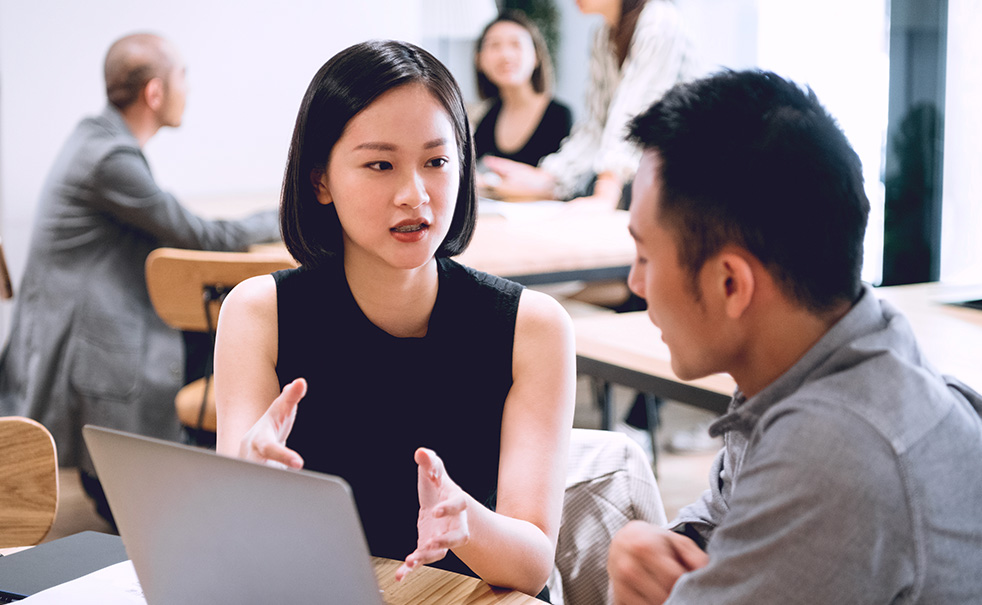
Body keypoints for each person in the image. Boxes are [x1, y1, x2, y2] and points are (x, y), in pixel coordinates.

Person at [606, 70, 982, 603]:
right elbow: (720, 519)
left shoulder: (836, 448)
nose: (635, 283)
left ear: (730, 284)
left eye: (645, 256)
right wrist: (664, 547)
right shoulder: (829, 350)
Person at [213, 40, 575, 600]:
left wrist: (465, 523)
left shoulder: (533, 327)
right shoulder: (259, 314)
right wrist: (246, 482)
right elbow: (242, 542)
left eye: (436, 162)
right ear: (321, 181)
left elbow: (530, 568)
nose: (415, 195)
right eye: (380, 164)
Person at [0, 33, 280, 522]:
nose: (187, 89)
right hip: (79, 340)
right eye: (183, 77)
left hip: (66, 321)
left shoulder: (96, 139)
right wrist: (281, 216)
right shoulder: (110, 159)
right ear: (154, 93)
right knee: (220, 337)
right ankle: (217, 489)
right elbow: (202, 235)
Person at [483, 0, 694, 208]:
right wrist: (547, 177)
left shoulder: (659, 21)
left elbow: (634, 112)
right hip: (645, 184)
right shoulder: (603, 36)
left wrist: (605, 194)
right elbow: (595, 126)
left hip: (686, 183)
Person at [473, 10, 573, 174]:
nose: (505, 55)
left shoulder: (559, 116)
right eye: (494, 45)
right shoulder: (488, 118)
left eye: (516, 44)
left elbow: (565, 182)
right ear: (479, 60)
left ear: (536, 56)